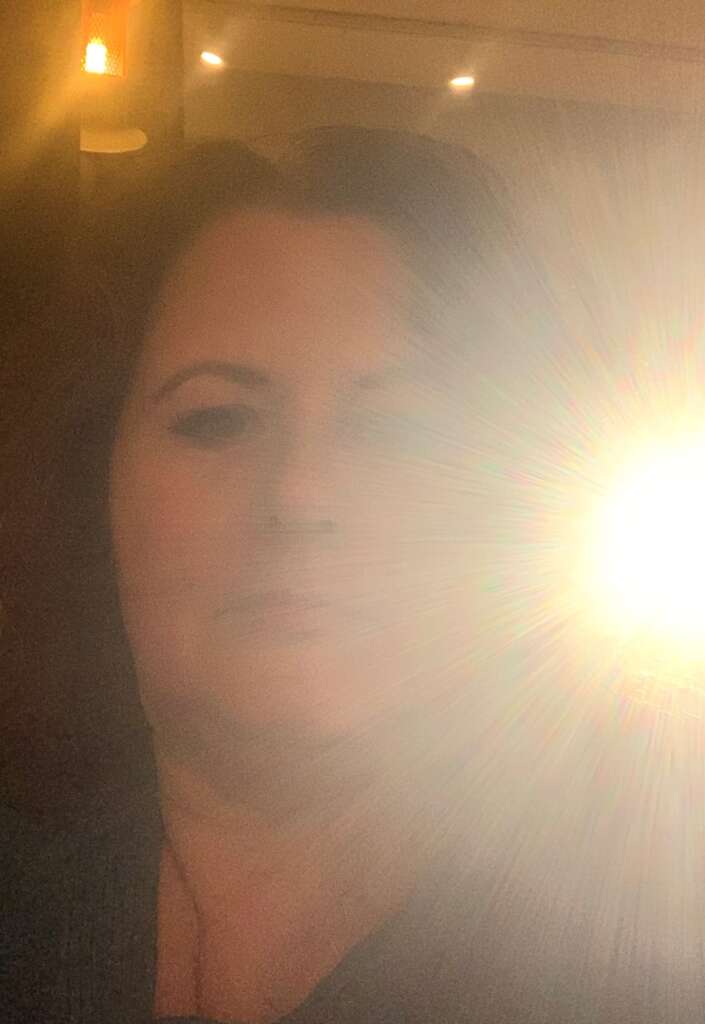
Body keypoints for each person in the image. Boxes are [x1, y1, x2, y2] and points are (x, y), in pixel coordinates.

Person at [1, 127, 698, 1024]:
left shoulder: (654, 943)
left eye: (393, 429)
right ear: (92, 478)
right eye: (216, 420)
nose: (302, 495)